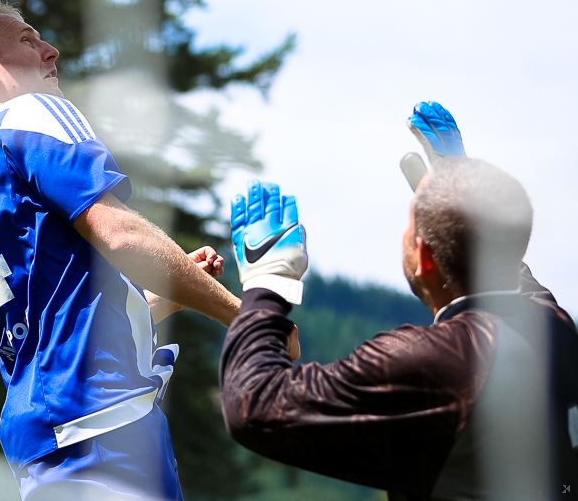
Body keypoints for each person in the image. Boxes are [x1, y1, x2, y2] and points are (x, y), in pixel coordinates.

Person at [0, 0, 242, 500]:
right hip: (103, 427)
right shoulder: (30, 112)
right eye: (28, 39)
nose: (51, 50)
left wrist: (170, 293)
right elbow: (120, 234)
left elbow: (52, 322)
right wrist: (248, 317)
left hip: (55, 439)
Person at [219, 102, 578, 501]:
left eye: (409, 226)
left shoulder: (434, 361)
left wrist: (268, 281)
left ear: (423, 257)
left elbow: (254, 407)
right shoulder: (554, 329)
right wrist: (465, 194)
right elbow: (515, 277)